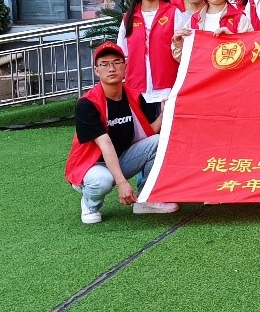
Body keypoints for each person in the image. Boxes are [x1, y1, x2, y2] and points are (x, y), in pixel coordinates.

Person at [65, 42, 177, 224]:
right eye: (105, 64)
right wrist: (122, 182)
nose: (111, 68)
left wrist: (166, 112)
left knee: (158, 141)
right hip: (92, 165)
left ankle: (146, 199)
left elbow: (151, 131)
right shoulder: (87, 104)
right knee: (102, 180)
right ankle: (90, 205)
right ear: (96, 71)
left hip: (121, 159)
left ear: (125, 67)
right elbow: (105, 143)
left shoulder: (134, 96)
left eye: (117, 62)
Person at [116, 0, 178, 120]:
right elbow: (121, 54)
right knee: (141, 132)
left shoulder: (173, 13)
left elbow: (182, 51)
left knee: (165, 132)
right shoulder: (128, 18)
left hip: (167, 88)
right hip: (136, 89)